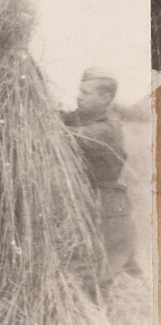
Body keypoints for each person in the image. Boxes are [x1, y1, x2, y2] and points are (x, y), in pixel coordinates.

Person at [62, 67, 138, 287]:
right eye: (80, 91)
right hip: (89, 199)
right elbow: (60, 118)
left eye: (86, 93)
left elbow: (66, 134)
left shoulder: (107, 128)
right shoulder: (83, 117)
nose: (78, 96)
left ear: (105, 97)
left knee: (99, 274)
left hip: (106, 204)